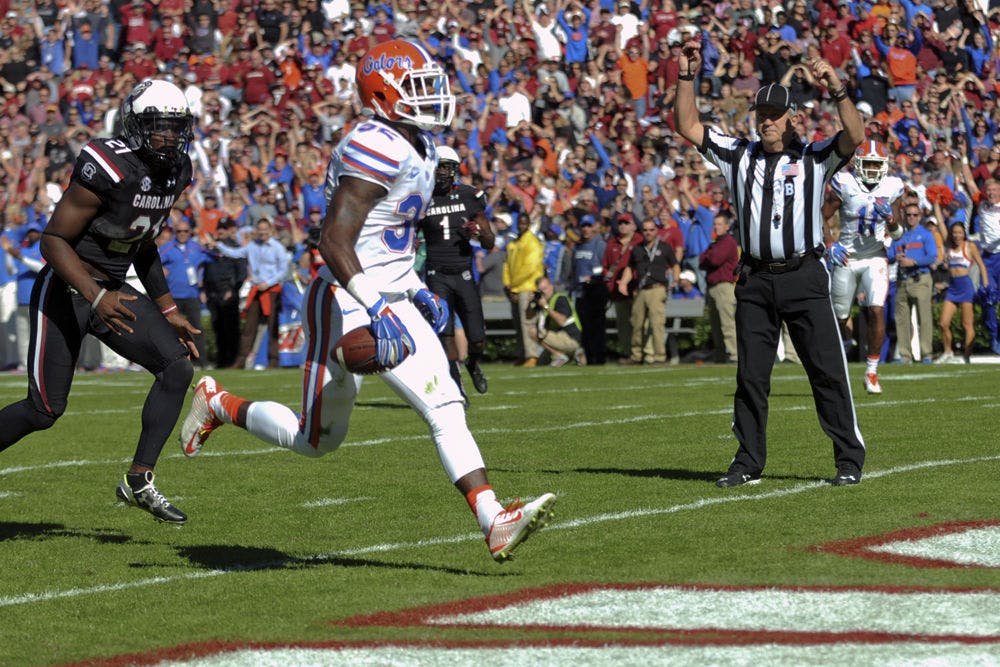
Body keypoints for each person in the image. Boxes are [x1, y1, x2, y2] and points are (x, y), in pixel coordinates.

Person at [179, 40, 555, 563]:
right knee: (316, 439)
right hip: (343, 293)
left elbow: (392, 238)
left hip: (393, 290)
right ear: (384, 92)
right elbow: (334, 240)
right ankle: (219, 403)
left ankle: (493, 518)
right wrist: (376, 307)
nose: (432, 94)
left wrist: (417, 290)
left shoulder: (422, 147)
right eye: (417, 85)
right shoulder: (375, 141)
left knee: (446, 404)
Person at [0, 80, 201, 523]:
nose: (168, 136)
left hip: (111, 287)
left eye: (175, 127)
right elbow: (52, 242)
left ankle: (139, 480)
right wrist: (95, 295)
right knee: (44, 409)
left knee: (177, 367)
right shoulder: (107, 164)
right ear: (133, 124)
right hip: (68, 289)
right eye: (158, 127)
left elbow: (143, 242)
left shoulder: (176, 170)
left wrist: (169, 310)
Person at [675, 43, 868, 487]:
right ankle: (747, 461)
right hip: (757, 279)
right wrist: (687, 76)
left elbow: (855, 137)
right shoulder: (738, 155)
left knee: (826, 372)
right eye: (762, 113)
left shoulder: (814, 157)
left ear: (791, 118)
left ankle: (848, 460)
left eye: (775, 114)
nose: (766, 120)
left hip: (803, 274)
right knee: (751, 377)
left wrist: (836, 87)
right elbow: (687, 125)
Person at [822, 139, 904, 394]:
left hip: (875, 256)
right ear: (857, 163)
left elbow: (899, 233)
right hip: (846, 255)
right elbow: (820, 215)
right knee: (840, 315)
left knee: (876, 310)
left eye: (875, 163)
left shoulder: (893, 186)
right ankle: (842, 352)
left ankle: (871, 371)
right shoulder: (845, 183)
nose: (870, 168)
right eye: (867, 163)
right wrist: (829, 243)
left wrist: (890, 218)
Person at [417, 144, 494, 403]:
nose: (441, 173)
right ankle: (456, 387)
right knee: (446, 334)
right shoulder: (421, 197)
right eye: (437, 167)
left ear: (455, 170)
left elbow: (490, 242)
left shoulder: (469, 196)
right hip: (437, 273)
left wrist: (479, 232)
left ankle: (473, 364)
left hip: (464, 274)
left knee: (478, 339)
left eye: (446, 167)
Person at [211, 218, 289, 369]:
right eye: (260, 229)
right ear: (256, 231)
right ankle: (241, 361)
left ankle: (273, 361)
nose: (262, 232)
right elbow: (235, 253)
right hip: (256, 290)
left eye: (265, 229)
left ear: (270, 230)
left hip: (271, 290)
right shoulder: (252, 246)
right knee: (249, 327)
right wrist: (219, 245)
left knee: (273, 326)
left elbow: (283, 270)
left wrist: (269, 282)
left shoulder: (277, 247)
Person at [933, 201, 988, 363]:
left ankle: (966, 355)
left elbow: (981, 265)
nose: (957, 235)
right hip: (953, 287)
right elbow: (941, 222)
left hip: (966, 287)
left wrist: (985, 282)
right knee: (943, 323)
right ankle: (948, 351)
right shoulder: (948, 244)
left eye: (959, 232)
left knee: (967, 324)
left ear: (963, 233)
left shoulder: (969, 246)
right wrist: (936, 203)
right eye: (954, 233)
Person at [619, 218, 679, 365]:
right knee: (637, 323)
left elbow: (675, 264)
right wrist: (624, 282)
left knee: (656, 323)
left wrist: (675, 280)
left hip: (657, 288)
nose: (648, 233)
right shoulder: (637, 248)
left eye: (651, 230)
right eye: (645, 230)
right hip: (641, 290)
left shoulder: (665, 247)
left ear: (656, 230)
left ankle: (659, 356)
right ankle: (636, 355)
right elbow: (630, 267)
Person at [158, 220, 211, 367]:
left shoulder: (197, 247)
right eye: (179, 231)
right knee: (171, 331)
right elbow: (153, 262)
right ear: (175, 232)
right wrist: (161, 271)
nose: (182, 234)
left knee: (196, 329)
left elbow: (212, 258)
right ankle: (173, 362)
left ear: (190, 232)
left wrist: (202, 279)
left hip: (192, 294)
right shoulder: (168, 248)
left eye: (185, 231)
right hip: (173, 295)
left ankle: (201, 362)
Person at [889, 203, 938, 364]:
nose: (911, 218)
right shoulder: (899, 236)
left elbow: (932, 256)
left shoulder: (926, 234)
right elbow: (888, 255)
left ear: (920, 217)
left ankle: (926, 354)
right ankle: (905, 355)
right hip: (902, 279)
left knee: (924, 318)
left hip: (920, 278)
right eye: (908, 214)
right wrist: (894, 257)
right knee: (902, 318)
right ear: (904, 215)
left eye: (915, 215)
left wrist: (914, 261)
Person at [201, 218, 245, 369]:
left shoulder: (235, 248)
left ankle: (232, 360)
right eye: (219, 228)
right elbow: (207, 271)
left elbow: (241, 273)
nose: (220, 231)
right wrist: (204, 290)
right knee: (217, 327)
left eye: (224, 228)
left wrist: (233, 290)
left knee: (231, 328)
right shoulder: (212, 248)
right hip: (213, 293)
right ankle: (221, 359)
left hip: (229, 292)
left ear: (229, 231)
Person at [503, 214, 545, 367]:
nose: (521, 226)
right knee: (518, 323)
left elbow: (530, 267)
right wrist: (508, 283)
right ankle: (522, 353)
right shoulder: (514, 243)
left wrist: (513, 285)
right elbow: (506, 265)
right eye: (520, 223)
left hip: (527, 287)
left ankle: (532, 355)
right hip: (515, 288)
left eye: (524, 223)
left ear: (529, 224)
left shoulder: (532, 242)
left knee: (527, 322)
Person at [699, 212, 739, 363]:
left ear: (727, 226)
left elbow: (714, 260)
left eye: (719, 224)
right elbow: (701, 262)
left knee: (727, 323)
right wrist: (709, 254)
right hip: (712, 287)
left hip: (724, 286)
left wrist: (708, 254)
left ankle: (735, 354)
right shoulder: (714, 244)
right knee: (715, 325)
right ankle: (720, 355)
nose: (716, 227)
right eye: (715, 224)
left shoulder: (728, 242)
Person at [602, 212, 640, 358]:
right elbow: (605, 266)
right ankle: (628, 353)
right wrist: (610, 281)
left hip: (635, 289)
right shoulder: (612, 243)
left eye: (626, 223)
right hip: (617, 292)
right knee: (623, 324)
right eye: (621, 223)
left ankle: (640, 352)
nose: (623, 226)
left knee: (638, 322)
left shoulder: (639, 241)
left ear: (634, 226)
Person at [571, 214, 607, 365]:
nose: (586, 229)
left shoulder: (599, 244)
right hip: (580, 292)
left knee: (597, 326)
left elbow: (603, 266)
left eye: (589, 226)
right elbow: (574, 268)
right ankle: (589, 357)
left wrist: (593, 278)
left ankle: (599, 358)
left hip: (595, 291)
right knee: (585, 327)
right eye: (583, 226)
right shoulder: (577, 246)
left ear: (594, 227)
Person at [527, 275, 584, 366]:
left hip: (570, 337)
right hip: (557, 337)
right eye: (540, 290)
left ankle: (561, 355)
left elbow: (561, 321)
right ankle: (574, 354)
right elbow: (529, 316)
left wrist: (546, 306)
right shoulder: (542, 301)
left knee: (533, 331)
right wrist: (530, 302)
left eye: (545, 289)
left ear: (551, 287)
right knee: (541, 363)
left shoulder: (560, 298)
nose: (543, 292)